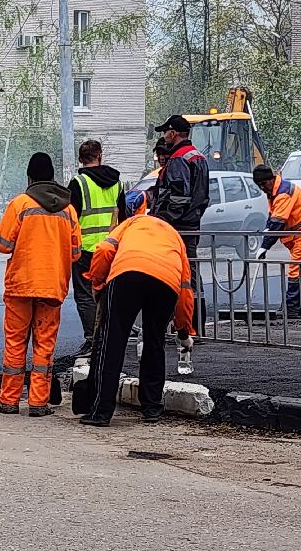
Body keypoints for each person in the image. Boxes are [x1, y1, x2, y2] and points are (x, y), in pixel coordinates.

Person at [79, 190, 196, 427]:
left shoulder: (133, 222)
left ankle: (100, 411)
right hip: (166, 283)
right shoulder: (175, 239)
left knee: (112, 342)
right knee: (155, 342)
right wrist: (184, 329)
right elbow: (185, 291)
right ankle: (152, 407)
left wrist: (99, 282)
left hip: (127, 275)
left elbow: (103, 250)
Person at [0, 152, 81, 418]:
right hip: (52, 286)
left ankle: (9, 400)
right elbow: (76, 253)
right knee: (45, 344)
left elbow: (1, 245)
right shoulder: (68, 209)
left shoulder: (20, 204)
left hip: (21, 285)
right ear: (52, 177)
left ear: (30, 177)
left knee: (16, 342)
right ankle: (38, 403)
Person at [67, 139, 127, 360]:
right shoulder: (118, 183)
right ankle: (109, 336)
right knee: (108, 293)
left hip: (84, 250)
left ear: (80, 159)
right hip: (111, 248)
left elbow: (70, 219)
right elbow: (123, 217)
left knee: (85, 295)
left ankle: (93, 339)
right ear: (100, 156)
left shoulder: (78, 183)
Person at [151, 114, 210, 332]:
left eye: (165, 132)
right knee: (192, 275)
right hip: (192, 225)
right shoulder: (198, 157)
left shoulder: (179, 159)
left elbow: (178, 197)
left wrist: (162, 222)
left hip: (177, 228)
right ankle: (195, 324)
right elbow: (202, 197)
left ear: (173, 133)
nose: (164, 136)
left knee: (178, 276)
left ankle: (186, 325)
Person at [253, 163, 301, 317]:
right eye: (259, 185)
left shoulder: (283, 193)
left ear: (271, 179)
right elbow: (273, 216)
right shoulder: (274, 191)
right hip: (298, 232)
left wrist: (265, 246)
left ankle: (292, 308)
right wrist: (268, 229)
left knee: (296, 269)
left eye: (263, 184)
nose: (262, 188)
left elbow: (278, 221)